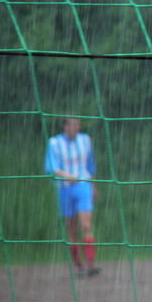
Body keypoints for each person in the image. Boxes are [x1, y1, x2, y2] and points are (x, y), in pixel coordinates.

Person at [44, 117, 100, 277]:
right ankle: (78, 265)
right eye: (72, 124)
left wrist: (94, 186)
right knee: (71, 227)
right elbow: (52, 168)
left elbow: (90, 166)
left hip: (83, 185)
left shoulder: (85, 140)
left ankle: (91, 264)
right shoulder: (54, 143)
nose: (76, 127)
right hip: (65, 189)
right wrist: (67, 175)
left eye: (78, 124)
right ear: (65, 126)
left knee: (86, 225)